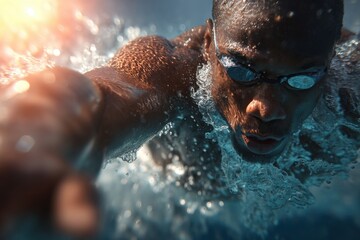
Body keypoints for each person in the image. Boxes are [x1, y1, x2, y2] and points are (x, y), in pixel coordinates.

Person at [0, 0, 358, 237]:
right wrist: (31, 140)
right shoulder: (173, 70)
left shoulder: (351, 85)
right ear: (209, 45)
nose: (266, 108)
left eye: (300, 81)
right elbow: (102, 97)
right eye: (242, 72)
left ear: (329, 63)